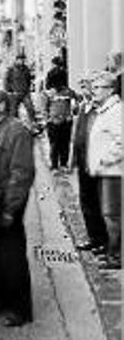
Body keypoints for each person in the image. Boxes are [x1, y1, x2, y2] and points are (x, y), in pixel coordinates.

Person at [0, 89, 35, 327]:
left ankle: (20, 308)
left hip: (6, 203)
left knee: (11, 258)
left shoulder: (16, 131)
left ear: (1, 106)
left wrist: (10, 209)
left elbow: (21, 173)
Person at [86, 70, 122, 270]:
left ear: (110, 90)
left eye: (98, 87)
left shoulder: (116, 111)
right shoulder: (105, 109)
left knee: (112, 215)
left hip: (113, 171)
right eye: (94, 87)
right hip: (104, 171)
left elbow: (121, 142)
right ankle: (112, 252)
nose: (94, 91)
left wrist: (103, 161)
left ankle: (116, 257)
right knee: (108, 215)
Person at [71, 76, 107, 254]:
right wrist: (73, 160)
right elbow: (78, 135)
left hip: (95, 162)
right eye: (83, 86)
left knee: (99, 202)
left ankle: (104, 241)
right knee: (86, 201)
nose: (85, 90)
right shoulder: (83, 107)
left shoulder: (99, 108)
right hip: (82, 159)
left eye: (88, 87)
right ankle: (93, 237)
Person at [44, 83, 76, 171]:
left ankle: (63, 164)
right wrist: (48, 118)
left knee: (65, 143)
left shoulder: (69, 92)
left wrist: (71, 114)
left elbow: (74, 105)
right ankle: (54, 165)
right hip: (53, 122)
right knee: (54, 145)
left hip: (66, 121)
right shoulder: (48, 93)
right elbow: (44, 107)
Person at [3, 54, 38, 131]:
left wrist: (28, 89)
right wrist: (9, 91)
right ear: (16, 60)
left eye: (23, 60)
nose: (22, 61)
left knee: (30, 108)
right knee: (14, 111)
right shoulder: (11, 69)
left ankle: (33, 125)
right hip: (15, 93)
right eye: (21, 60)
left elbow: (28, 80)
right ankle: (14, 127)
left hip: (25, 93)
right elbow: (6, 81)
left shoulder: (26, 69)